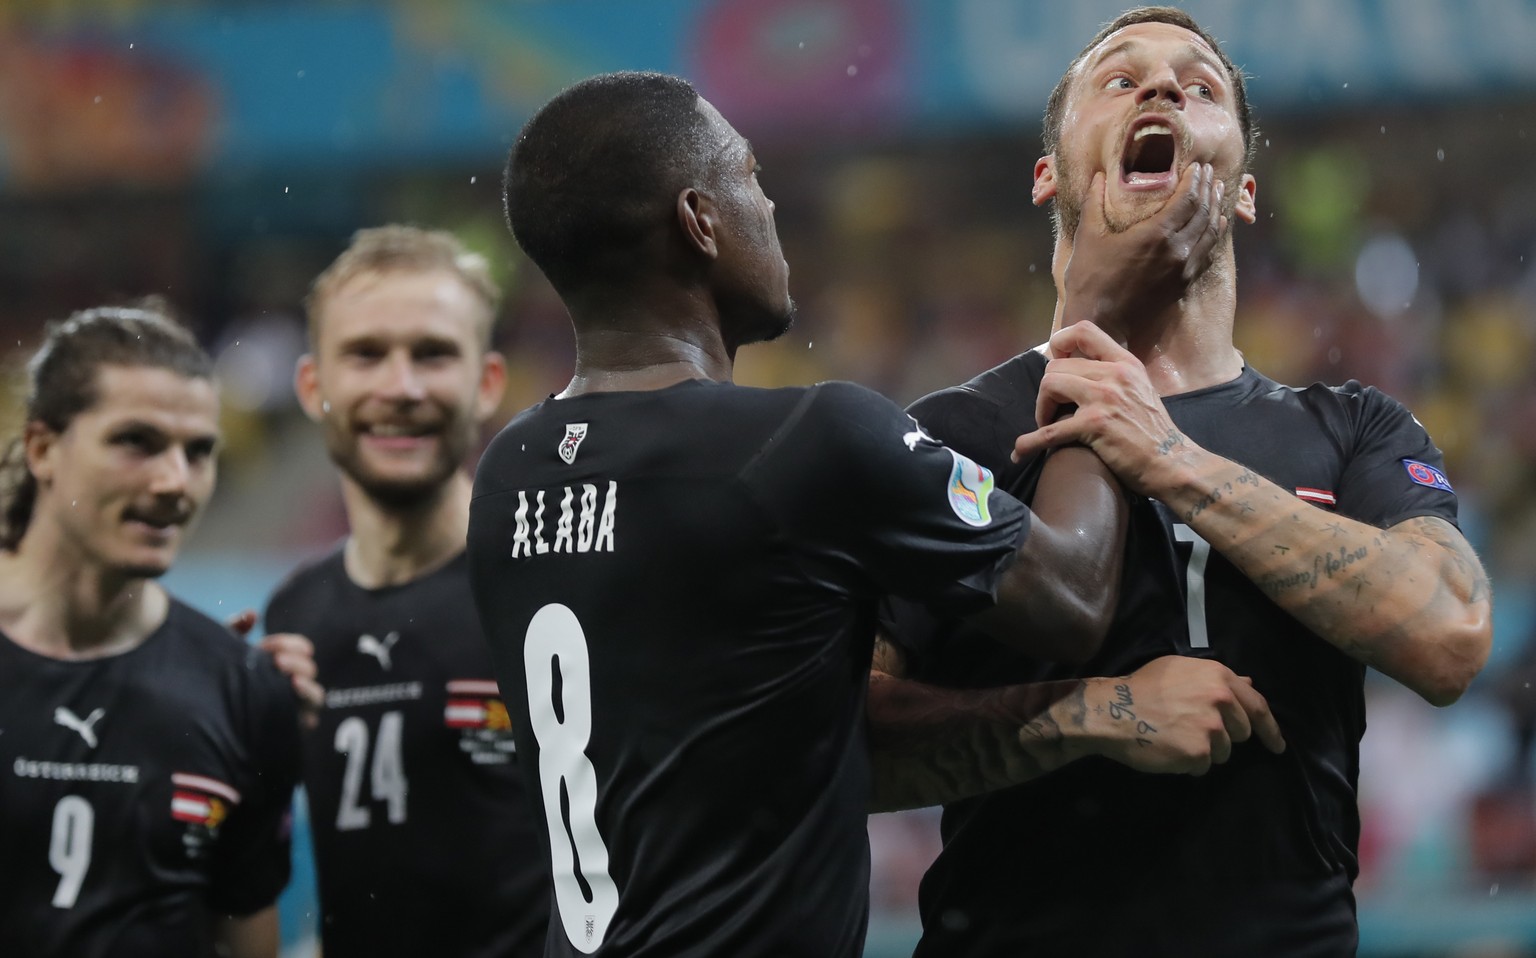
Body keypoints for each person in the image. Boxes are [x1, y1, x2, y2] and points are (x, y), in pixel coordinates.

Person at [470, 71, 1282, 958]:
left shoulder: (511, 472)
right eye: (748, 174)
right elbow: (1073, 593)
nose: (770, 203)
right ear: (699, 222)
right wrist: (1095, 317)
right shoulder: (804, 439)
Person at [878, 8, 1494, 956]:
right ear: (1050, 177)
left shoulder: (1352, 428)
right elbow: (849, 744)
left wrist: (1168, 457)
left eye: (1199, 84)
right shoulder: (948, 433)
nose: (1162, 89)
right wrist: (1097, 715)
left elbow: (1450, 635)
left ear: (1242, 191)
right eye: (1119, 80)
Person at [260, 226, 550, 957]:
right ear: (312, 387)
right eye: (365, 354)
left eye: (432, 353)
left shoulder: (549, 588)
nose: (400, 387)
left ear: (487, 384)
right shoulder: (296, 614)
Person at [0, 305, 302, 958]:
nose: (175, 483)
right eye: (136, 442)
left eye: (199, 452)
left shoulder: (243, 690)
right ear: (43, 448)